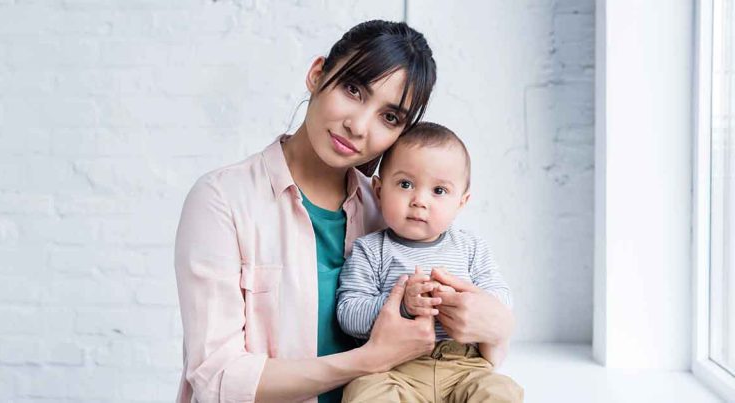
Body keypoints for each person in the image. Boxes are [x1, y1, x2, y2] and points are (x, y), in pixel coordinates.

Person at [174, 19, 515, 403]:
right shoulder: (223, 199)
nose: (357, 126)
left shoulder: (391, 213)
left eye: (389, 117)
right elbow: (216, 377)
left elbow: (466, 366)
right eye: (353, 90)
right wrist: (368, 360)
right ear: (318, 74)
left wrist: (498, 324)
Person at [336, 122, 523, 402]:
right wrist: (401, 305)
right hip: (393, 368)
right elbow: (348, 314)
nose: (419, 201)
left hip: (464, 366)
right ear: (378, 190)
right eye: (405, 184)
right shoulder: (370, 249)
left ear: (461, 202)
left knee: (500, 391)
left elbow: (502, 301)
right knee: (363, 392)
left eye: (439, 191)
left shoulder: (471, 248)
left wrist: (466, 301)